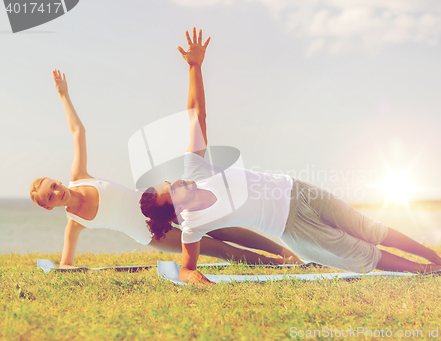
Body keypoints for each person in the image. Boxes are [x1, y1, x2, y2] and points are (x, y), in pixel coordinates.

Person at [140, 28, 441, 285]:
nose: (179, 180)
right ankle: (425, 271)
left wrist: (195, 67)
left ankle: (436, 256)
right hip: (292, 226)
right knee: (361, 254)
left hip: (297, 190)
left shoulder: (194, 170)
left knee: (371, 228)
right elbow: (185, 267)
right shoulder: (193, 226)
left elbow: (196, 114)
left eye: (171, 180)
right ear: (178, 207)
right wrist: (194, 278)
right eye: (174, 188)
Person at [29, 68, 302, 268]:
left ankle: (286, 253)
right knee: (214, 248)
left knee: (223, 227)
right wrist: (62, 267)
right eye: (49, 197)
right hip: (148, 233)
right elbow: (66, 265)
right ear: (48, 207)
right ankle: (277, 265)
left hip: (157, 200)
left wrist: (63, 94)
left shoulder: (78, 178)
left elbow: (78, 131)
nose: (56, 192)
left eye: (52, 185)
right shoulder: (74, 223)